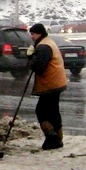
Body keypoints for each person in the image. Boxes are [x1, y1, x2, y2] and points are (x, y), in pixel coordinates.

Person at [27, 22, 67, 150]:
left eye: (33, 34)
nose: (31, 36)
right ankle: (58, 138)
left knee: (41, 111)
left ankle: (52, 138)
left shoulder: (43, 46)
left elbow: (38, 66)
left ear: (39, 34)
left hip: (50, 84)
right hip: (57, 82)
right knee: (53, 111)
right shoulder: (48, 42)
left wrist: (30, 57)